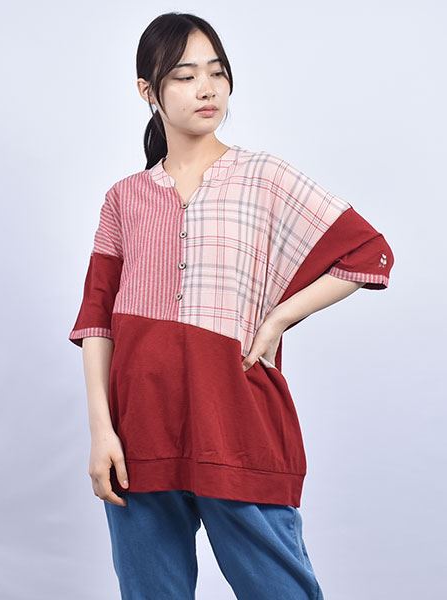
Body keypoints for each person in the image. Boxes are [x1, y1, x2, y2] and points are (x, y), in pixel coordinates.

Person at [68, 12, 395, 600]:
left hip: (237, 422)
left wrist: (279, 318)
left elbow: (369, 253)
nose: (207, 88)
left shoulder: (264, 177)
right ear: (148, 91)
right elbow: (97, 319)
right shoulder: (123, 199)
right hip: (139, 431)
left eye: (216, 73)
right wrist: (101, 431)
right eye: (185, 75)